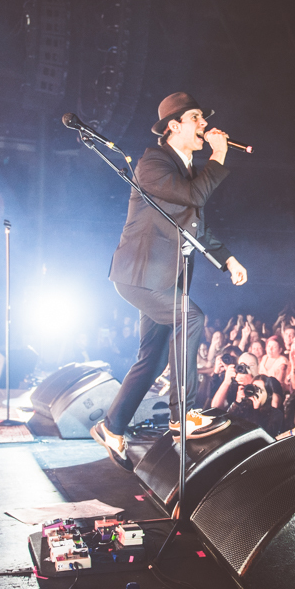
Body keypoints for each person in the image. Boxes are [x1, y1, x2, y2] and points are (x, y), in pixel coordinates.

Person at [91, 93, 248, 469]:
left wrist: (227, 258)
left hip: (162, 279)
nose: (204, 126)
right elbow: (195, 196)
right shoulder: (153, 164)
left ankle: (111, 427)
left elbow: (193, 224)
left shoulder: (186, 170)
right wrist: (219, 155)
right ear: (173, 126)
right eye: (196, 118)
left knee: (155, 355)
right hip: (142, 275)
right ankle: (183, 416)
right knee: (190, 318)